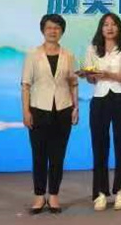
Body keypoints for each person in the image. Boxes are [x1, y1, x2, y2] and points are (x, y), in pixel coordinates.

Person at [21, 14, 79, 214]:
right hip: (38, 109)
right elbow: (25, 85)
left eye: (57, 28)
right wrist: (26, 111)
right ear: (43, 30)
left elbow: (73, 83)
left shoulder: (69, 55)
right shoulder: (32, 54)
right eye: (49, 27)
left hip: (63, 109)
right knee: (39, 155)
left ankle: (53, 195)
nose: (53, 31)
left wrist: (75, 107)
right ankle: (39, 196)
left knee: (57, 156)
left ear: (62, 31)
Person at [83, 13, 121, 211]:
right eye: (105, 24)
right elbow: (90, 78)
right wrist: (89, 75)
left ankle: (120, 192)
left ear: (119, 28)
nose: (109, 28)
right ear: (101, 28)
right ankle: (100, 193)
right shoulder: (92, 48)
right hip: (99, 99)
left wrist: (107, 74)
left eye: (113, 24)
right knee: (99, 147)